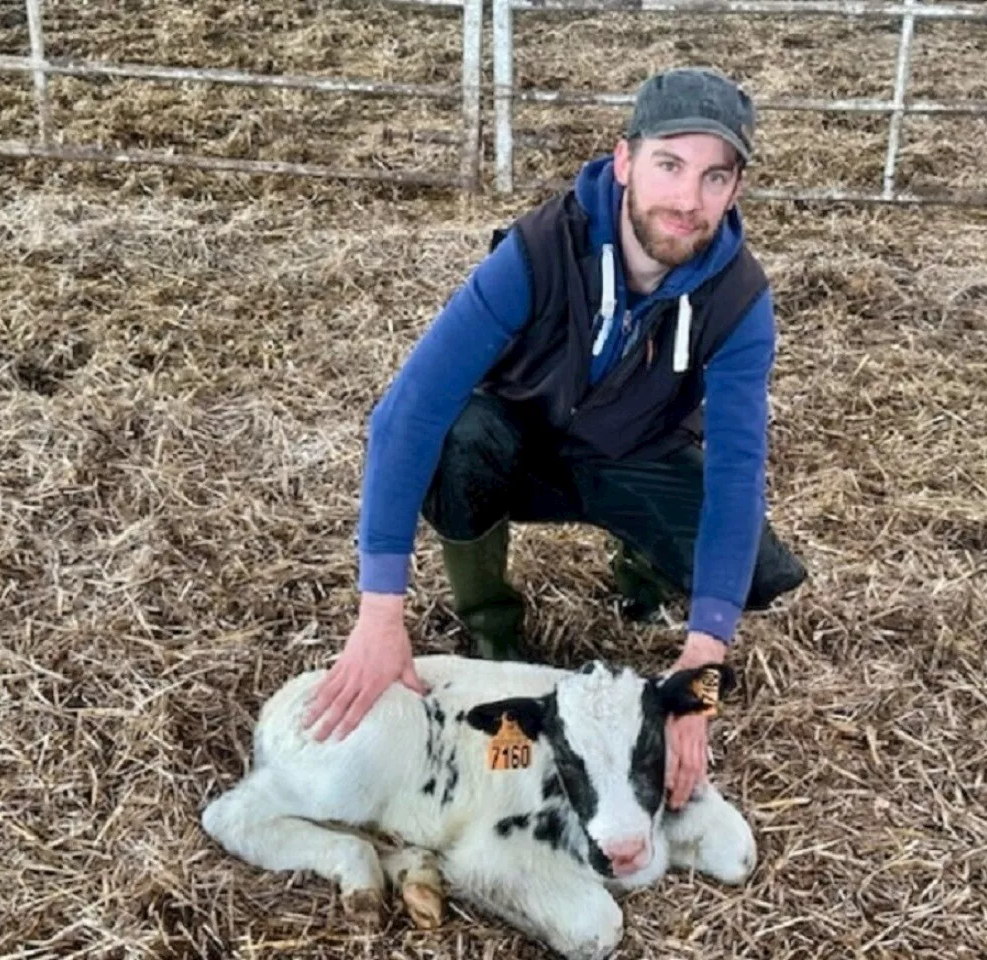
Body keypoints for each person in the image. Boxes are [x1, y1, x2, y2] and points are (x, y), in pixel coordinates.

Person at [303, 66, 807, 809]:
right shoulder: (540, 252)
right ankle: (493, 631)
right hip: (524, 450)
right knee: (457, 438)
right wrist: (380, 611)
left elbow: (737, 472)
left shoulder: (737, 300)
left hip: (634, 455)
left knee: (755, 573)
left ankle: (640, 579)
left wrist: (704, 663)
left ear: (734, 189)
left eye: (714, 178)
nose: (687, 200)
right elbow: (405, 412)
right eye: (669, 165)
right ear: (625, 161)